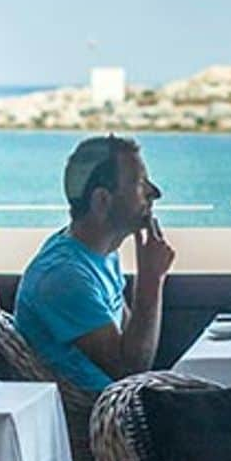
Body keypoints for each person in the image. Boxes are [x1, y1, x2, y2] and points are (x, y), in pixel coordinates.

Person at [15, 133, 176, 393]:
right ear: (102, 200)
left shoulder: (101, 255)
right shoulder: (64, 277)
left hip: (123, 405)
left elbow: (132, 346)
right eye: (139, 184)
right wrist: (151, 280)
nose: (154, 193)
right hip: (100, 420)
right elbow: (131, 367)